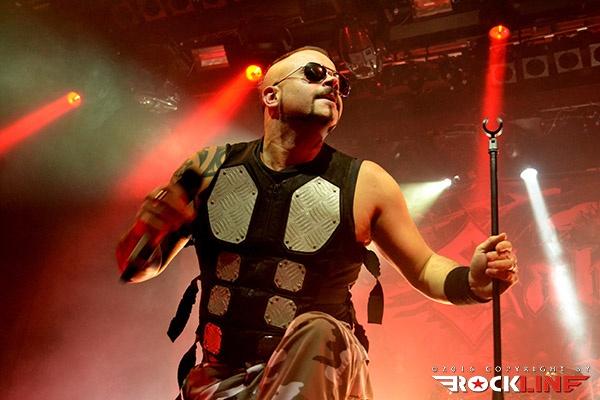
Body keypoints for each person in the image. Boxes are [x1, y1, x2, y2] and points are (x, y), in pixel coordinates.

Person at [116, 46, 519, 400]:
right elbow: (134, 268)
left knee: (317, 328)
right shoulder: (208, 168)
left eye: (341, 83)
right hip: (221, 378)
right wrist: (147, 230)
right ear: (271, 94)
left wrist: (473, 282)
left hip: (324, 373)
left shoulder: (366, 183)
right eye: (314, 73)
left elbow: (425, 267)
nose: (332, 83)